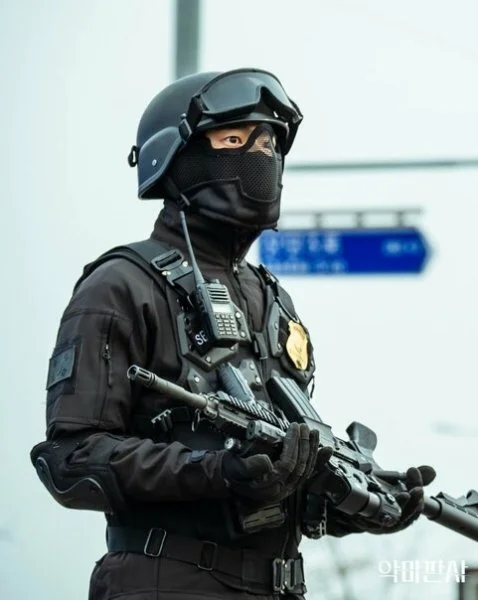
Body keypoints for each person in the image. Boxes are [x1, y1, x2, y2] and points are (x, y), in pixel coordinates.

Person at [29, 68, 435, 599]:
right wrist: (215, 471)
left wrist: (360, 501)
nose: (261, 157)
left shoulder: (270, 299)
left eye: (269, 144)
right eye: (235, 140)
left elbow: (282, 484)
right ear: (178, 156)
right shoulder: (122, 285)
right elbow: (71, 460)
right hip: (167, 583)